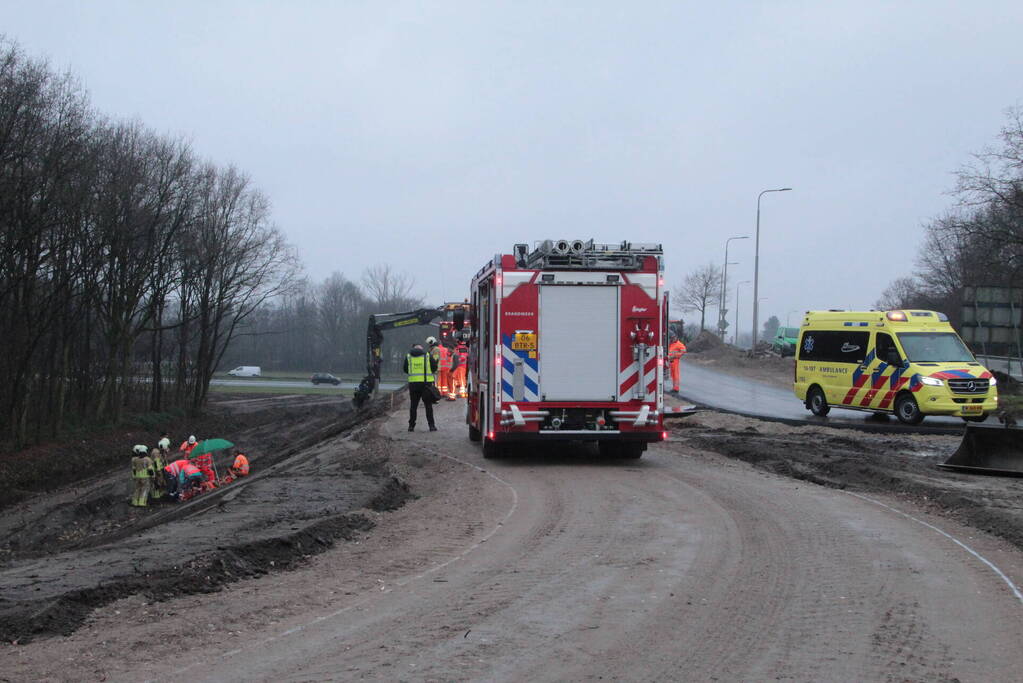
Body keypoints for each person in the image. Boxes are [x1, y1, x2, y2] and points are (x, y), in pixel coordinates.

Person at [403, 342, 438, 432]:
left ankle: (411, 426)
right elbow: (434, 367)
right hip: (426, 384)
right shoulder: (427, 355)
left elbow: (405, 369)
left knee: (413, 406)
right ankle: (431, 426)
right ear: (421, 349)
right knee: (428, 406)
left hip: (413, 384)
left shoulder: (408, 356)